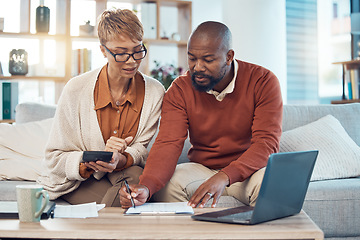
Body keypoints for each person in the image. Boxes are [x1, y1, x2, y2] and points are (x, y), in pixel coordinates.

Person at [119, 21, 283, 209]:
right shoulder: (180, 89)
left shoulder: (263, 81)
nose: (197, 67)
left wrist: (224, 176)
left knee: (272, 186)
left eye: (208, 59)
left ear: (229, 57)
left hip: (249, 171)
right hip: (203, 169)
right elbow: (168, 143)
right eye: (192, 58)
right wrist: (146, 187)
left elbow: (266, 143)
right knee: (166, 188)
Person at [37, 8, 165, 207]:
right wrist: (91, 159)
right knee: (128, 200)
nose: (132, 61)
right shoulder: (76, 89)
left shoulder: (155, 91)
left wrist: (120, 159)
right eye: (121, 53)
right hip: (80, 181)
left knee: (137, 180)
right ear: (103, 50)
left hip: (124, 172)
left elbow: (141, 149)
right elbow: (54, 156)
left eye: (138, 50)